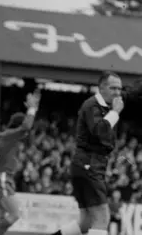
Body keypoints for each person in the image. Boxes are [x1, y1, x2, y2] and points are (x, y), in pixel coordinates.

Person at [50, 71, 123, 235]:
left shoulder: (102, 108)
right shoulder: (92, 105)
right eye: (113, 88)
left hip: (85, 165)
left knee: (85, 222)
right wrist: (115, 112)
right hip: (89, 165)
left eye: (120, 89)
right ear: (102, 87)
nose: (118, 93)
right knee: (102, 218)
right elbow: (99, 131)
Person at [0, 91, 41, 235]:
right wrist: (32, 109)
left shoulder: (5, 138)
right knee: (15, 214)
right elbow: (26, 127)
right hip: (2, 178)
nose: (27, 134)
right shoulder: (10, 136)